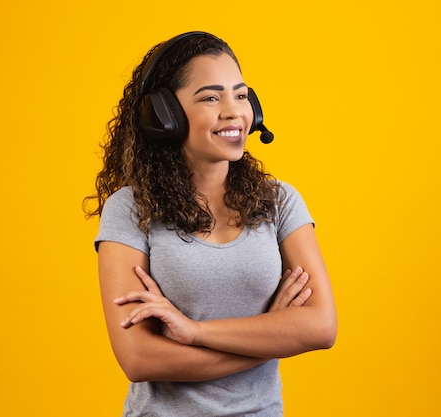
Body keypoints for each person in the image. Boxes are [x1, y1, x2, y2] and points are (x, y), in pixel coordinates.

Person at [84, 31, 337, 417]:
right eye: (211, 97)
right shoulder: (131, 209)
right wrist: (271, 334)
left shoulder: (280, 201)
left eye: (240, 95)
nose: (234, 111)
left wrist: (194, 331)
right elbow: (138, 358)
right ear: (164, 115)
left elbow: (320, 327)